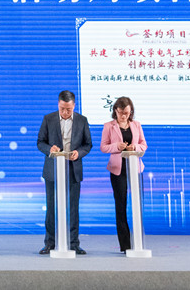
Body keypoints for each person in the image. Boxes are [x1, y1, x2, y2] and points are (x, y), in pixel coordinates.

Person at [37, 90, 92, 255]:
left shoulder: (82, 120)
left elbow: (88, 144)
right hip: (53, 169)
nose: (65, 112)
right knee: (51, 207)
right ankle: (50, 243)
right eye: (62, 109)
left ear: (74, 105)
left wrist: (78, 153)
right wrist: (50, 149)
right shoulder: (48, 119)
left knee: (73, 208)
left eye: (68, 109)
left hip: (73, 169)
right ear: (58, 104)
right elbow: (40, 142)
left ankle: (73, 243)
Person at [100, 96, 148, 253]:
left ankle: (139, 241)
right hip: (117, 169)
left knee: (137, 204)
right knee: (121, 206)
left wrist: (135, 147)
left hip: (135, 168)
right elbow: (103, 147)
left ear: (131, 111)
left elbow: (143, 145)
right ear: (115, 110)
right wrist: (116, 146)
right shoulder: (109, 126)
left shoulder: (136, 125)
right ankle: (125, 245)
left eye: (126, 113)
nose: (123, 116)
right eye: (120, 112)